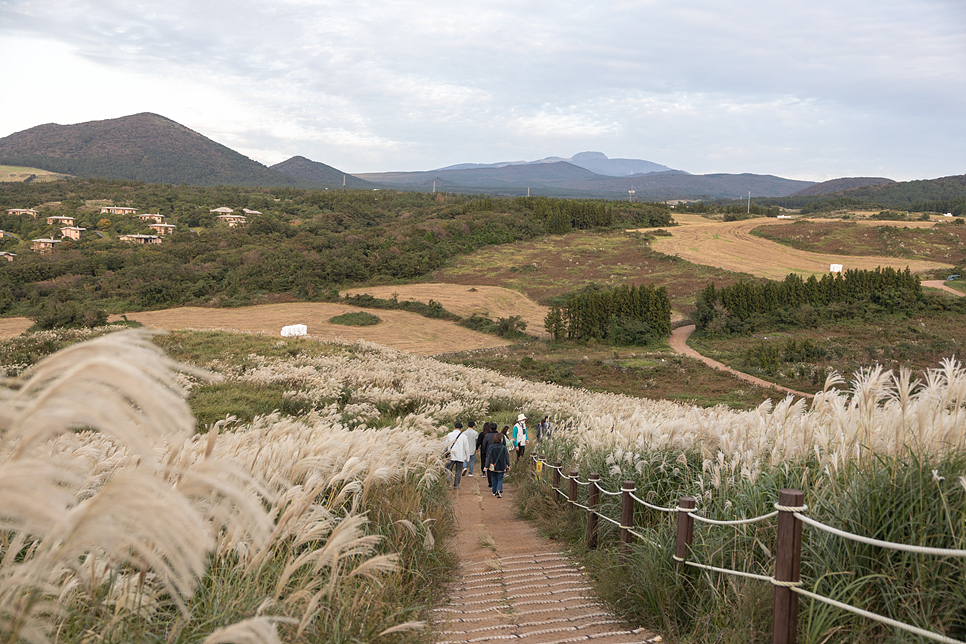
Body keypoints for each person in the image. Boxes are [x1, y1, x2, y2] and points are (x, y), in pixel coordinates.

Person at [448, 423, 472, 489]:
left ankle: (448, 481)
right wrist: (467, 458)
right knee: (458, 471)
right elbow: (467, 448)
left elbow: (445, 446)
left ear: (454, 427)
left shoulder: (449, 435)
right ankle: (456, 485)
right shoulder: (464, 436)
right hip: (460, 456)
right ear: (461, 429)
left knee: (449, 469)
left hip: (451, 455)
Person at [486, 433, 511, 498]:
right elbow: (506, 457)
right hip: (502, 465)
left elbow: (488, 457)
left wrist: (486, 466)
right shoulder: (504, 447)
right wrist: (508, 465)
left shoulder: (491, 447)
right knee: (500, 478)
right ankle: (499, 489)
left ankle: (494, 491)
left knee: (493, 478)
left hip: (493, 465)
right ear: (501, 439)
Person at [479, 422, 499, 488]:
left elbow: (484, 445)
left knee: (490, 469)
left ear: (490, 429)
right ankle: (497, 483)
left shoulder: (487, 436)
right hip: (498, 453)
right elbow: (504, 444)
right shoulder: (500, 435)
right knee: (498, 468)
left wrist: (484, 453)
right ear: (496, 428)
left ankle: (491, 484)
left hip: (489, 453)